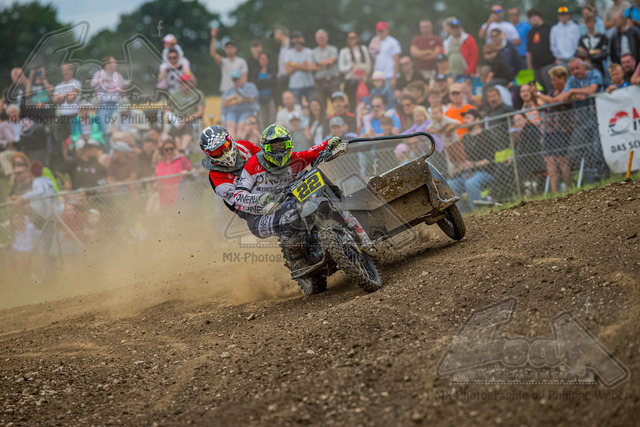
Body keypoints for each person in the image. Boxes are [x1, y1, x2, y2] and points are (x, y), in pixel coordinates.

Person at [232, 124, 343, 271]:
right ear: (265, 148)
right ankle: (297, 261)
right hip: (259, 216)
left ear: (289, 144)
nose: (279, 151)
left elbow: (311, 152)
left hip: (287, 202)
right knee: (289, 216)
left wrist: (328, 143)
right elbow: (238, 196)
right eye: (273, 147)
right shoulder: (253, 164)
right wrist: (260, 198)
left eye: (282, 146)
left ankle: (342, 210)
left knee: (314, 176)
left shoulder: (293, 159)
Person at [448, 109, 495, 210]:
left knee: (471, 183)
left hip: (485, 172)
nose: (465, 120)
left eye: (468, 118)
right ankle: (463, 213)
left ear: (477, 120)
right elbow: (463, 159)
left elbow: (489, 160)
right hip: (467, 173)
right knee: (450, 185)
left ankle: (477, 211)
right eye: (464, 118)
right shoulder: (465, 138)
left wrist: (472, 165)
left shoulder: (486, 135)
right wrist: (459, 165)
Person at [538, 66, 573, 194]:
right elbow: (541, 104)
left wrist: (538, 94)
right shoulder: (551, 92)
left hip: (562, 130)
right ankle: (554, 192)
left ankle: (569, 189)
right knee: (550, 161)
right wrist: (534, 95)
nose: (552, 82)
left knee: (562, 160)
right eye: (551, 80)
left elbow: (554, 101)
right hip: (549, 131)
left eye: (554, 79)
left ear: (562, 78)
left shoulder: (567, 90)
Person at [166, 73, 205, 153]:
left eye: (186, 82)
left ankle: (182, 150)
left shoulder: (198, 94)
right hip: (176, 119)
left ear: (190, 83)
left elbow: (200, 112)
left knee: (187, 126)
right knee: (176, 126)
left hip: (191, 119)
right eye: (182, 82)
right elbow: (167, 110)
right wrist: (174, 119)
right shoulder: (174, 95)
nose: (184, 84)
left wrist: (186, 120)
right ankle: (180, 150)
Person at [90, 57, 127, 137]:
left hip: (115, 105)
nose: (115, 64)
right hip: (103, 105)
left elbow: (122, 94)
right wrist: (102, 80)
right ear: (107, 65)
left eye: (115, 63)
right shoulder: (100, 73)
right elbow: (92, 84)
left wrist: (123, 88)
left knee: (116, 126)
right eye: (113, 63)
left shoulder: (118, 76)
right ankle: (105, 143)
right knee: (104, 127)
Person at [511, 113, 546, 195]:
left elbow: (529, 148)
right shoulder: (522, 131)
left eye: (520, 120)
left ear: (526, 119)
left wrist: (516, 157)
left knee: (516, 165)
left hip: (535, 159)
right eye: (515, 121)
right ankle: (528, 187)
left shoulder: (531, 129)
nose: (518, 123)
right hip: (526, 159)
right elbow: (515, 147)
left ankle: (531, 187)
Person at [222, 69, 259, 140]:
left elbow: (252, 98)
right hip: (232, 112)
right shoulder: (229, 91)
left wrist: (242, 99)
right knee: (230, 127)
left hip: (246, 111)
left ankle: (239, 142)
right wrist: (234, 100)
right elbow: (224, 104)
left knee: (240, 127)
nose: (236, 81)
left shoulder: (249, 87)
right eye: (234, 80)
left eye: (237, 79)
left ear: (241, 78)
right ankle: (232, 143)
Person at [338, 32, 372, 110]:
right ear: (347, 40)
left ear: (357, 38)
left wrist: (364, 74)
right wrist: (350, 68)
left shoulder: (363, 49)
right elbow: (341, 67)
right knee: (352, 100)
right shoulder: (344, 51)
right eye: (350, 38)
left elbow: (368, 64)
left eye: (354, 38)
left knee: (366, 99)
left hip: (363, 79)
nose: (352, 40)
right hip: (351, 80)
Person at [154, 138, 192, 207]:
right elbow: (156, 181)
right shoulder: (159, 165)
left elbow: (192, 175)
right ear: (163, 151)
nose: (169, 151)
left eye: (172, 149)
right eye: (167, 149)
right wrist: (156, 185)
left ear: (175, 149)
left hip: (180, 200)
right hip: (164, 200)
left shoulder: (182, 160)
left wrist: (187, 173)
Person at [526, 8, 556, 93]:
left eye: (534, 16)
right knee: (540, 90)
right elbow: (528, 52)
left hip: (549, 64)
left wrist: (557, 59)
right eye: (530, 17)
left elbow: (556, 44)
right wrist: (530, 68)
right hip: (536, 68)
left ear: (539, 16)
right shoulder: (530, 32)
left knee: (551, 88)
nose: (533, 19)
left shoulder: (549, 28)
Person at [209, 30, 248, 95]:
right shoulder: (223, 61)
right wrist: (213, 37)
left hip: (238, 91)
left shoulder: (242, 61)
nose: (230, 49)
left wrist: (242, 91)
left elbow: (244, 78)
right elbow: (213, 53)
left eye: (231, 47)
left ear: (235, 49)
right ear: (225, 50)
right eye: (228, 48)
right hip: (225, 91)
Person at [52, 63, 82, 144]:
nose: (65, 72)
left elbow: (71, 98)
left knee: (74, 139)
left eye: (67, 69)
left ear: (72, 71)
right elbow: (55, 100)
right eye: (64, 70)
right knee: (62, 140)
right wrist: (67, 95)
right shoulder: (58, 86)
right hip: (62, 115)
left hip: (74, 114)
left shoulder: (76, 83)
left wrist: (60, 97)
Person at [312, 29, 340, 110]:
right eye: (319, 38)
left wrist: (319, 64)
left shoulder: (333, 49)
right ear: (316, 39)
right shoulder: (313, 52)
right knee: (321, 105)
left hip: (333, 81)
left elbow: (331, 62)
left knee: (336, 102)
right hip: (320, 82)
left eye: (323, 37)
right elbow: (313, 67)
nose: (321, 39)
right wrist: (326, 63)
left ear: (327, 38)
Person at [284, 31, 316, 105]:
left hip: (309, 85)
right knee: (297, 108)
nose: (297, 40)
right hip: (294, 86)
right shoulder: (288, 53)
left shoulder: (310, 52)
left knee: (311, 106)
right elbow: (288, 70)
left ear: (303, 39)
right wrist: (303, 65)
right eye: (294, 38)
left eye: (298, 38)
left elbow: (309, 68)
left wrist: (293, 65)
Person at [369, 21, 402, 88]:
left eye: (382, 30)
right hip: (378, 76)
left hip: (389, 75)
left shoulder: (393, 42)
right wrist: (373, 75)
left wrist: (394, 78)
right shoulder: (374, 42)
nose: (380, 32)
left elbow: (396, 61)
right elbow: (374, 61)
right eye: (379, 31)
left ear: (387, 30)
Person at [273, 27, 291, 108]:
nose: (274, 37)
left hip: (288, 77)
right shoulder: (282, 46)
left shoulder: (290, 45)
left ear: (280, 34)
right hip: (281, 77)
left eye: (275, 34)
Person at [256, 52, 276, 126]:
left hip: (270, 97)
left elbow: (272, 82)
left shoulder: (271, 70)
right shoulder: (256, 71)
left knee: (272, 116)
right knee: (263, 118)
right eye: (261, 59)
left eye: (265, 59)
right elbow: (256, 83)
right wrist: (266, 80)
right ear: (259, 60)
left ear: (268, 60)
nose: (263, 60)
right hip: (260, 98)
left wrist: (261, 82)